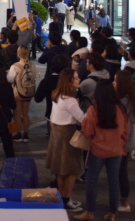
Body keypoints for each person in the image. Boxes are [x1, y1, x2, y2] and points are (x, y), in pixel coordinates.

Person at [74, 81, 128, 221]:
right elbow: (125, 130)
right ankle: (112, 213)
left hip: (97, 150)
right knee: (113, 181)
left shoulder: (94, 110)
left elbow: (87, 131)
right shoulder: (120, 109)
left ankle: (90, 212)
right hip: (116, 150)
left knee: (92, 181)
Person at [46, 68, 84, 212]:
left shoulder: (58, 95)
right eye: (76, 78)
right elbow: (82, 119)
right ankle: (67, 199)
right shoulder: (71, 101)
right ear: (69, 81)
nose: (79, 79)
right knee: (71, 170)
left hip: (56, 134)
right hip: (67, 135)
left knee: (60, 170)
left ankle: (62, 198)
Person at [114, 70, 135, 214]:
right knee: (122, 170)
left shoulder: (122, 102)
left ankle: (123, 201)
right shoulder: (131, 98)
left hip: (123, 141)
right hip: (130, 140)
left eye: (115, 81)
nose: (113, 83)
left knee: (120, 172)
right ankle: (122, 200)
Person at [7, 46, 35, 142]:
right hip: (28, 92)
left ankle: (18, 134)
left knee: (17, 114)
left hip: (17, 92)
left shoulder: (15, 66)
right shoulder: (32, 65)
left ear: (19, 54)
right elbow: (34, 77)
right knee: (25, 114)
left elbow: (9, 79)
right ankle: (26, 135)